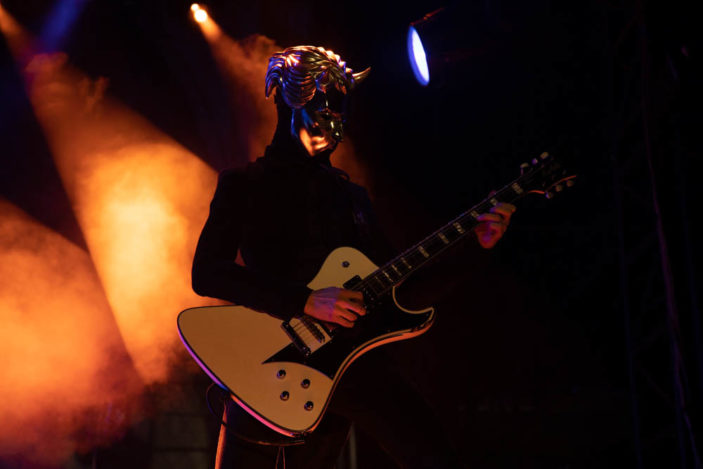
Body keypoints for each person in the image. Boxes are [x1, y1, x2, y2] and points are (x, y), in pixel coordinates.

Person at [192, 45, 516, 469]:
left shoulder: (350, 197)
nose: (336, 126)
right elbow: (208, 273)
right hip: (266, 361)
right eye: (325, 112)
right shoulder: (245, 184)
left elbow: (400, 292)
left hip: (352, 364)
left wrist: (476, 247)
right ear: (292, 103)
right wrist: (305, 301)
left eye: (342, 116)